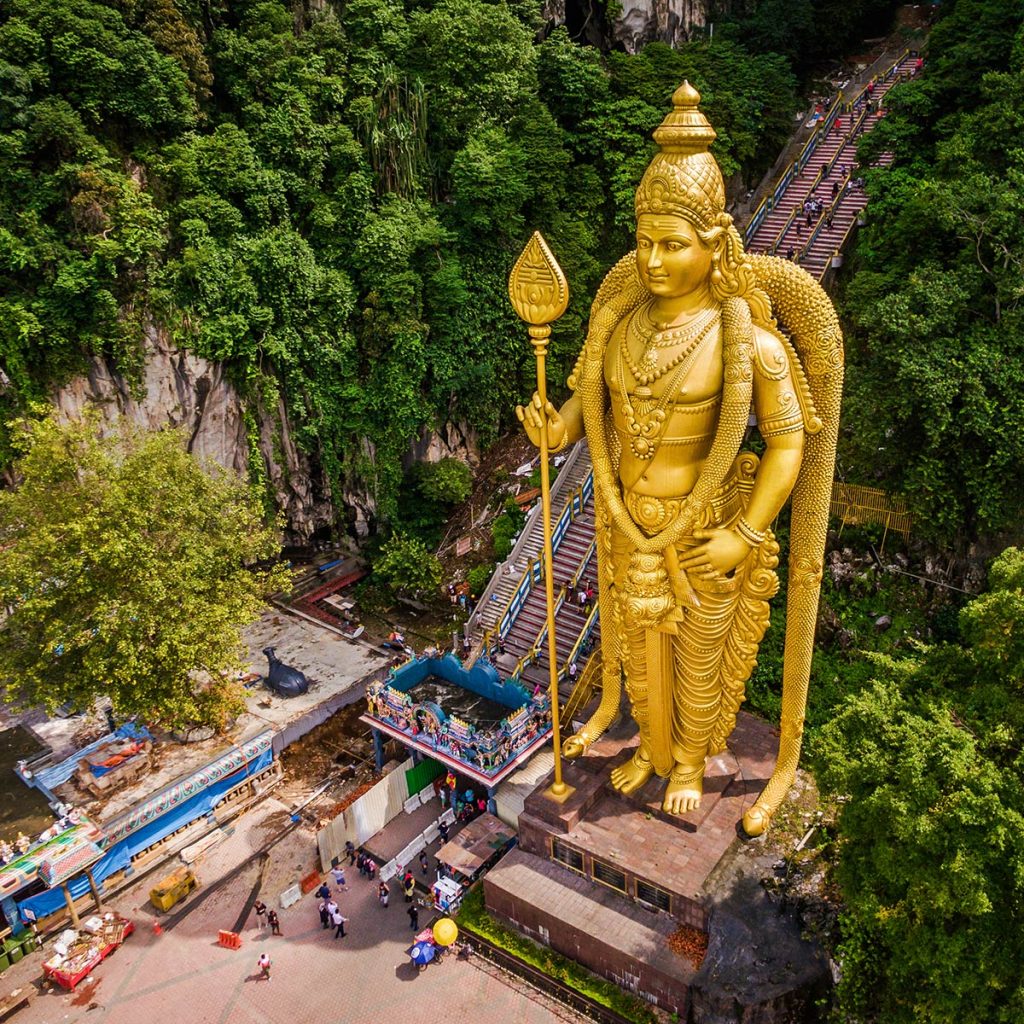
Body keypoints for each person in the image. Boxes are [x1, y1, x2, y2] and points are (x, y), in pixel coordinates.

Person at [514, 82, 840, 835]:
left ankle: (687, 762)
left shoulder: (749, 344)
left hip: (709, 527)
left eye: (675, 243)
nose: (655, 260)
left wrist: (749, 530)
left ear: (716, 242)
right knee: (632, 650)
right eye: (645, 241)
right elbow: (583, 411)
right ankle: (650, 751)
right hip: (631, 524)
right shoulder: (616, 327)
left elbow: (789, 444)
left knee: (698, 662)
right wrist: (553, 431)